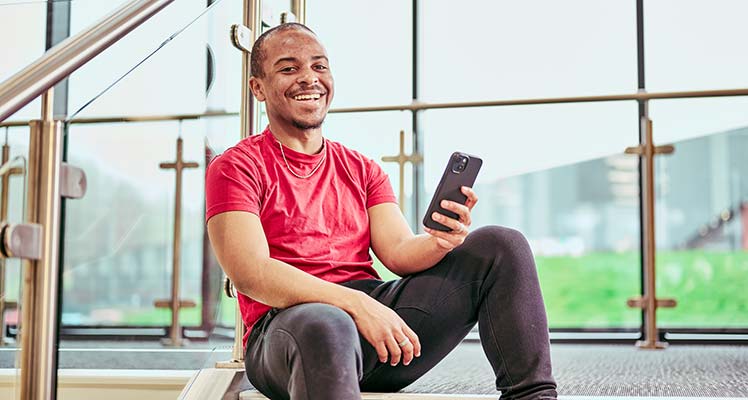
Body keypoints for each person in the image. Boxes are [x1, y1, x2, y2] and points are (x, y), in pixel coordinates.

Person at [205, 22, 557, 400]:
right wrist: (354, 305)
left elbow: (399, 252)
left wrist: (440, 242)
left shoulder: (362, 167)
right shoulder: (235, 167)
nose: (309, 78)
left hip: (377, 329)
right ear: (257, 87)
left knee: (501, 245)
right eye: (289, 69)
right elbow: (251, 274)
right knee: (327, 323)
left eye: (320, 67)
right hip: (291, 329)